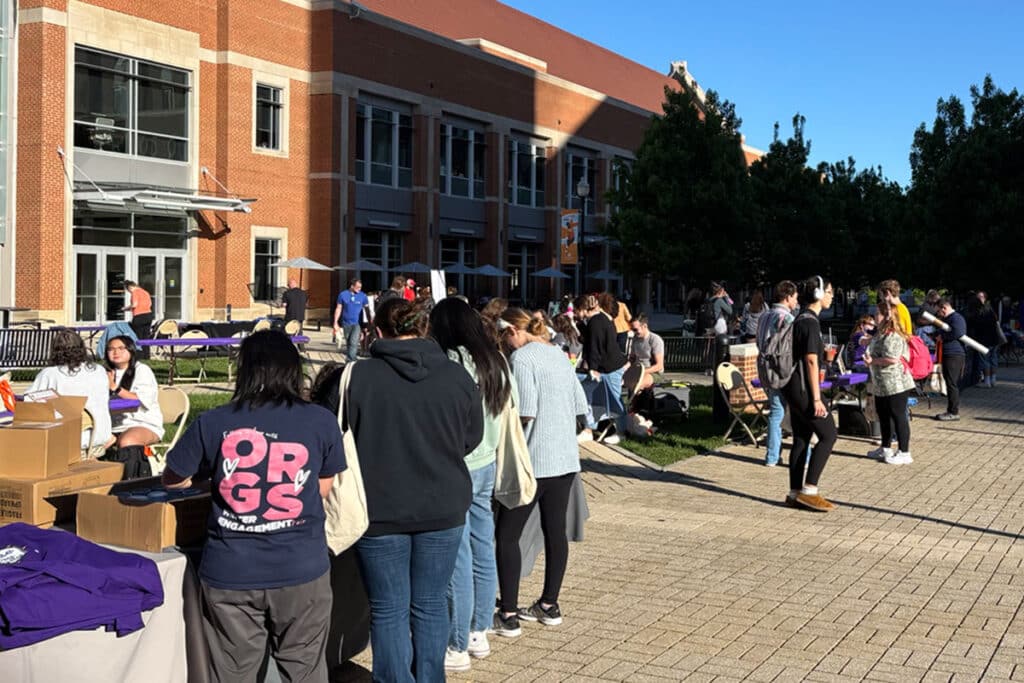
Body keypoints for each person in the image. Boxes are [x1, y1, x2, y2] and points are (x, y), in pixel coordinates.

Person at [162, 330, 346, 682]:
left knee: (232, 673)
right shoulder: (320, 420)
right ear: (294, 369)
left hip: (231, 570)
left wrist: (215, 481)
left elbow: (173, 478)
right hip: (301, 568)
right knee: (305, 670)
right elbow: (322, 488)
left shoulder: (213, 420)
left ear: (245, 371)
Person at [347, 298, 483, 683]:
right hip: (442, 504)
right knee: (430, 603)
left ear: (377, 331)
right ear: (424, 328)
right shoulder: (457, 377)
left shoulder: (358, 377)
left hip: (379, 507)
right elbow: (471, 437)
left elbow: (339, 436)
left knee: (389, 608)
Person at [491, 308, 588, 638]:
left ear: (511, 332)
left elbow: (526, 411)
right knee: (554, 530)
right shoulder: (558, 353)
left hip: (533, 460)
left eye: (504, 338)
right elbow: (580, 405)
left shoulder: (522, 359)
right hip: (565, 459)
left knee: (507, 534)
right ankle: (549, 603)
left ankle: (508, 612)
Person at [429, 298, 513, 672]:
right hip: (488, 460)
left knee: (459, 554)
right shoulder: (496, 361)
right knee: (483, 545)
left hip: (460, 462)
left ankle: (457, 641)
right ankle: (479, 629)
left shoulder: (452, 362)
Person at [783, 276, 838, 512]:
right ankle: (810, 491)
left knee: (802, 438)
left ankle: (794, 493)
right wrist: (817, 399)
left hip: (793, 388)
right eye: (829, 292)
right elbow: (811, 361)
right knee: (829, 435)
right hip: (804, 389)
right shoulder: (810, 323)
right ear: (818, 294)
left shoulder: (800, 319)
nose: (831, 296)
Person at [28, 329, 111, 452]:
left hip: (69, 439)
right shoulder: (99, 370)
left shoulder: (50, 374)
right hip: (100, 434)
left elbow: (30, 403)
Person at [102, 336, 164, 479]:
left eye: (121, 348)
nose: (116, 352)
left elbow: (139, 400)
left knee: (127, 441)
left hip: (142, 423)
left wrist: (115, 388)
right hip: (112, 426)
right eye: (111, 349)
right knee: (88, 442)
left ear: (131, 350)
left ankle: (132, 481)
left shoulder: (142, 370)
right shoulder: (103, 373)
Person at [863, 300, 916, 465]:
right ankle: (885, 447)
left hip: (896, 382)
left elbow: (892, 358)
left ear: (887, 316)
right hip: (882, 383)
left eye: (877, 314)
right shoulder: (880, 333)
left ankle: (904, 452)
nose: (874, 317)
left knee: (898, 415)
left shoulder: (894, 335)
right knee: (884, 415)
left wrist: (873, 361)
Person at [755, 280, 799, 467]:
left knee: (775, 410)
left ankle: (772, 456)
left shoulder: (764, 316)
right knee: (791, 411)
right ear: (788, 297)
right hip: (781, 369)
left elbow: (758, 341)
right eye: (795, 297)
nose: (796, 301)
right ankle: (800, 456)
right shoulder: (787, 319)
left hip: (764, 367)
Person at [575, 293, 628, 445]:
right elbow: (591, 340)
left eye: (577, 311)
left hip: (610, 367)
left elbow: (595, 347)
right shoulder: (599, 320)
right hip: (607, 366)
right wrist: (580, 325)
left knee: (615, 400)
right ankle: (589, 429)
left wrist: (592, 368)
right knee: (592, 397)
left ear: (583, 309)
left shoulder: (596, 322)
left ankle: (622, 432)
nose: (576, 314)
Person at [936, 297, 966, 421]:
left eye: (939, 311)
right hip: (950, 353)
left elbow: (958, 332)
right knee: (950, 382)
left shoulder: (956, 318)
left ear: (944, 308)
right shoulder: (950, 319)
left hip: (954, 354)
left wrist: (942, 337)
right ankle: (951, 410)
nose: (939, 314)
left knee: (952, 383)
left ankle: (953, 412)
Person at [967, 291, 1001, 387]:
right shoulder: (990, 309)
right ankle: (993, 380)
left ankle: (987, 381)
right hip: (994, 338)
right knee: (993, 359)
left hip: (983, 339)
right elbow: (996, 321)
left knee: (985, 360)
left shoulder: (977, 311)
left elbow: (973, 325)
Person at [333, 278, 368, 362]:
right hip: (346, 323)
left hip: (357, 323)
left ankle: (352, 360)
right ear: (352, 286)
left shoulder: (363, 296)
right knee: (348, 342)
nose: (359, 289)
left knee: (353, 342)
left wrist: (369, 322)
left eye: (360, 287)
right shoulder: (343, 295)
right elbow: (338, 308)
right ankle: (349, 359)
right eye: (358, 287)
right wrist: (335, 322)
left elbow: (367, 309)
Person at [629, 314, 665, 393]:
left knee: (637, 384)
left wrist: (641, 372)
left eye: (635, 329)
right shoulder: (635, 339)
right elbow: (632, 358)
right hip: (638, 371)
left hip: (654, 373)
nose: (633, 332)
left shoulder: (655, 339)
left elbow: (659, 366)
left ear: (644, 326)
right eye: (632, 329)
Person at [123, 280, 153, 358]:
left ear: (130, 287)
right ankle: (146, 355)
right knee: (146, 336)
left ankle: (139, 355)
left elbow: (134, 305)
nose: (129, 292)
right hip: (148, 315)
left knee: (138, 336)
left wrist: (125, 308)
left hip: (139, 316)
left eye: (128, 290)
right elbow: (150, 304)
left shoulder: (135, 292)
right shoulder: (145, 292)